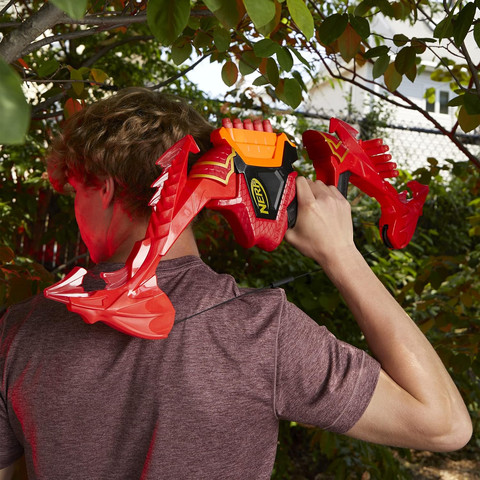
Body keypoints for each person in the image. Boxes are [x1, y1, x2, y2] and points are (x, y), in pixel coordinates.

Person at [0, 87, 472, 480]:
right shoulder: (260, 332)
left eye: (76, 190)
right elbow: (444, 424)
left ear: (102, 187)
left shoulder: (16, 333)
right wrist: (341, 254)